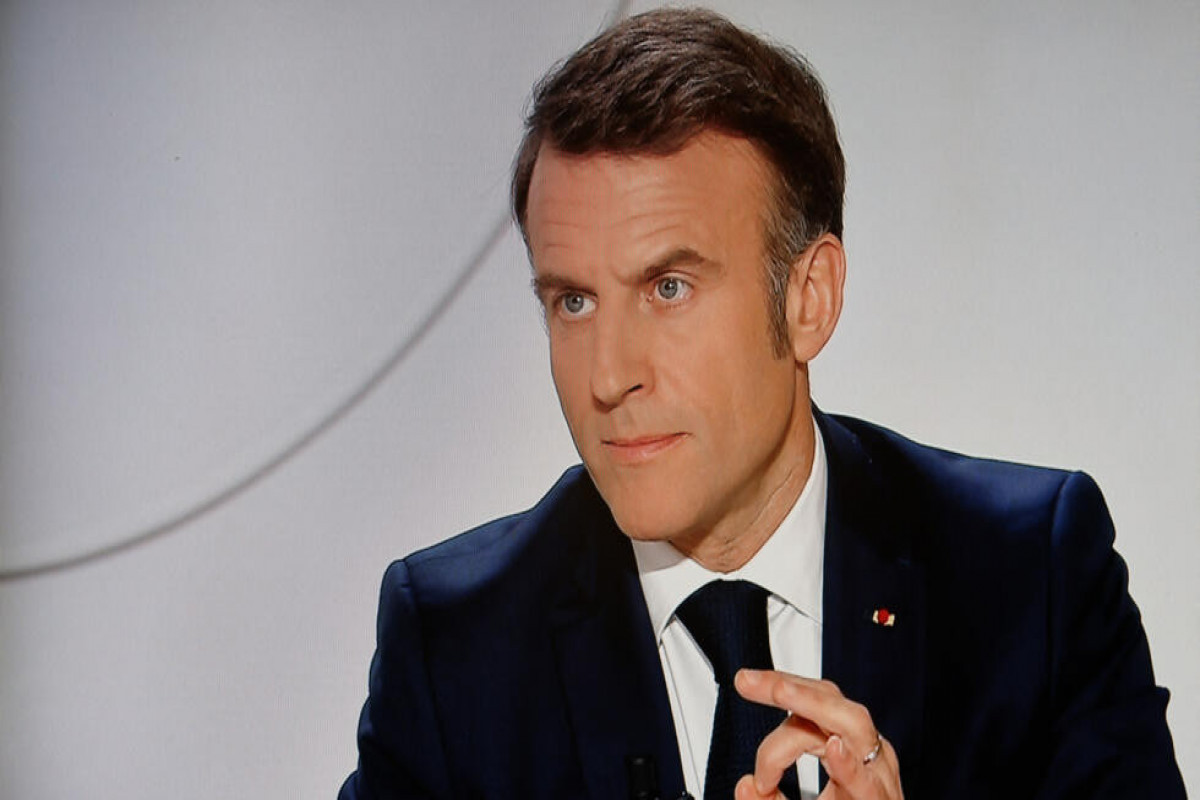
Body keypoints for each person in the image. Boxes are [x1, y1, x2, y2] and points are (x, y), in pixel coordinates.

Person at [339, 9, 1184, 799]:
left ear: (809, 299)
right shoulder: (458, 646)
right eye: (574, 301)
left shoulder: (1028, 580)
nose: (608, 376)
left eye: (668, 288)